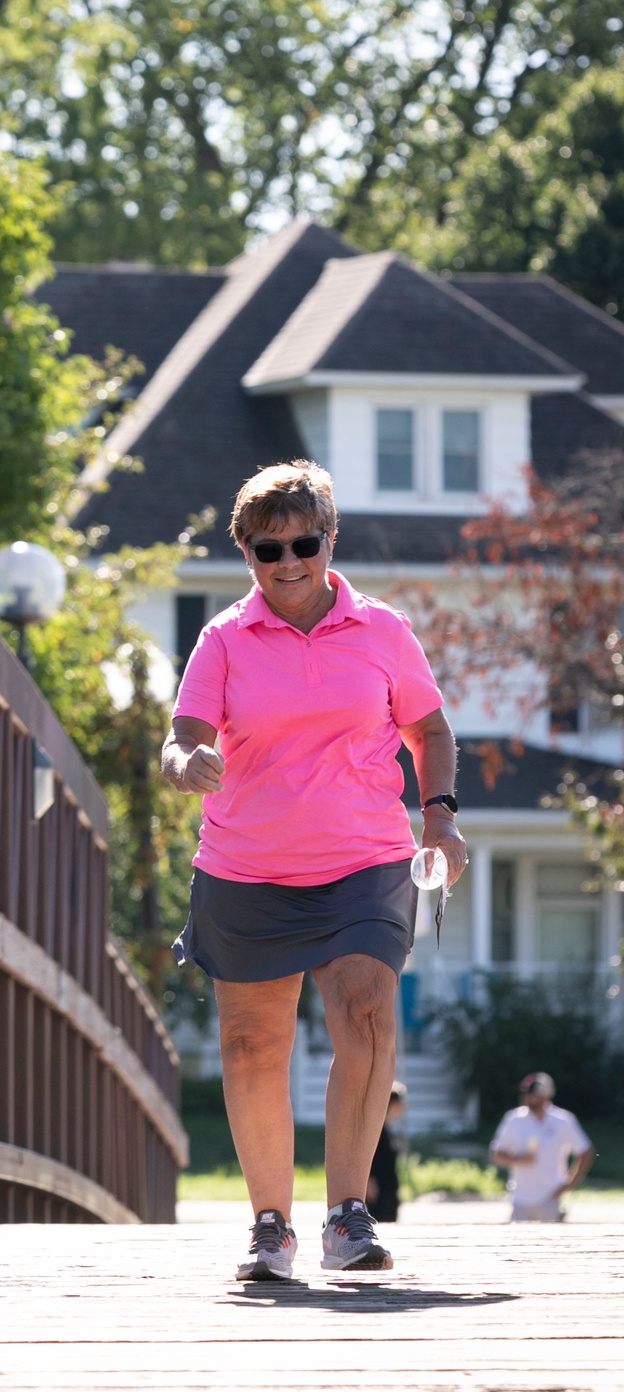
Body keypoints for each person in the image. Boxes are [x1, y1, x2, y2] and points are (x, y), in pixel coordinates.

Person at [161, 461, 467, 1282]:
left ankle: (348, 1214)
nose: (288, 562)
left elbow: (429, 731)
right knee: (253, 1043)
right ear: (247, 553)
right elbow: (183, 732)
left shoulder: (384, 632)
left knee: (366, 1013)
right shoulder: (224, 638)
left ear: (330, 539)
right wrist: (186, 760)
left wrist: (438, 816)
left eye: (304, 543)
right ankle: (270, 1226)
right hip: (247, 865)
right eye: (269, 549)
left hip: (363, 860)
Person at [489, 1072, 595, 1222]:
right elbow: (496, 1153)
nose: (527, 1098)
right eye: (525, 1094)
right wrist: (519, 1159)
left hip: (550, 1197)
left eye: (532, 1094)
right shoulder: (514, 1119)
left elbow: (586, 1152)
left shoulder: (563, 1120)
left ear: (546, 1095)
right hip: (520, 1198)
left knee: (552, 1243)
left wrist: (569, 1184)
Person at [366, 1083, 407, 1224]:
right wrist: (368, 1181)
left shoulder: (387, 1130)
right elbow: (371, 1158)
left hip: (389, 1189)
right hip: (378, 1191)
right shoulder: (376, 1132)